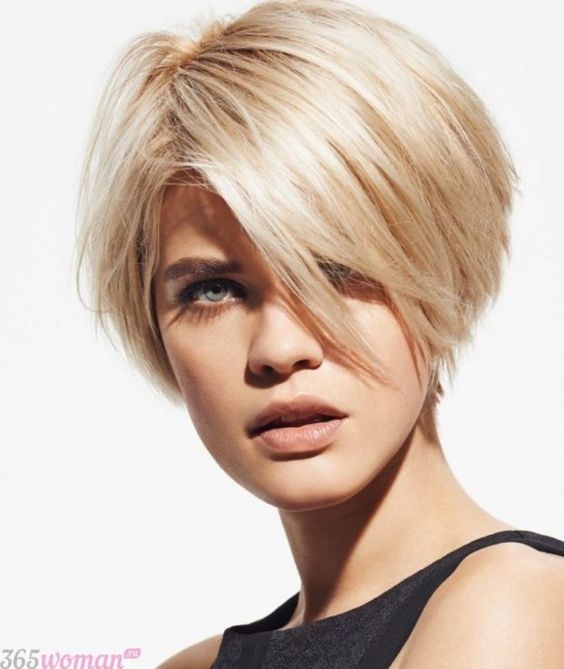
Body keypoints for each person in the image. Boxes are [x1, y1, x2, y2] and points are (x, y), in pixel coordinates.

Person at [75, 0, 564, 666]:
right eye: (213, 290)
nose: (280, 349)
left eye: (336, 270)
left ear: (441, 268)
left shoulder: (515, 604)